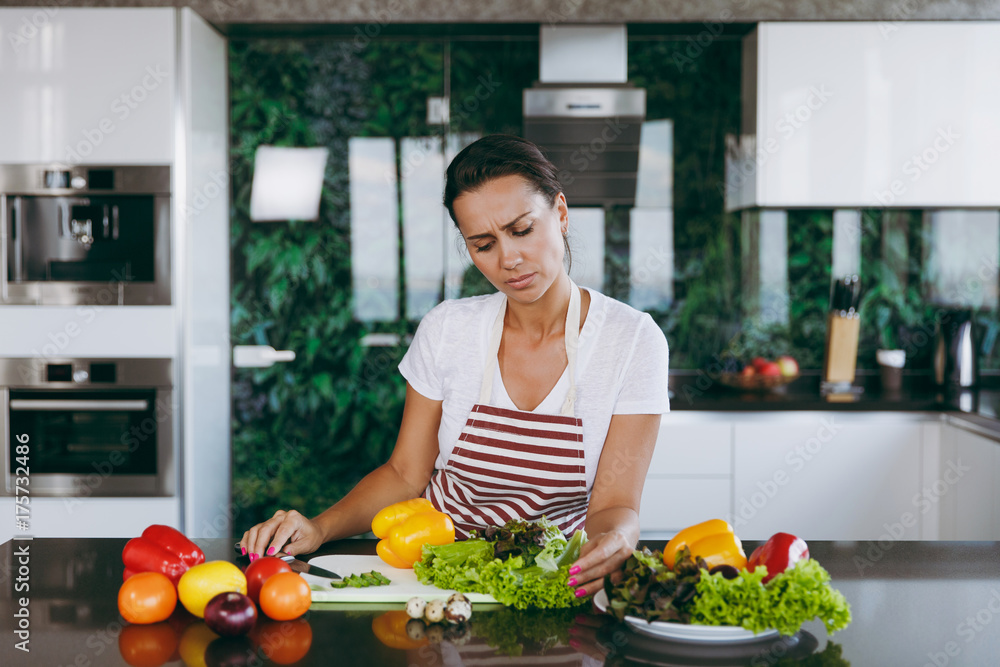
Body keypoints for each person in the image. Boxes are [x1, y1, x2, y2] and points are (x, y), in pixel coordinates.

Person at [239, 134, 669, 597]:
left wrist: (616, 540)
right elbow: (406, 474)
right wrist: (319, 528)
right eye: (483, 244)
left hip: (553, 581)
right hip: (433, 577)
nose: (509, 259)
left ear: (560, 213)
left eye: (522, 230)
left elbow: (614, 504)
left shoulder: (631, 340)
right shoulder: (448, 329)